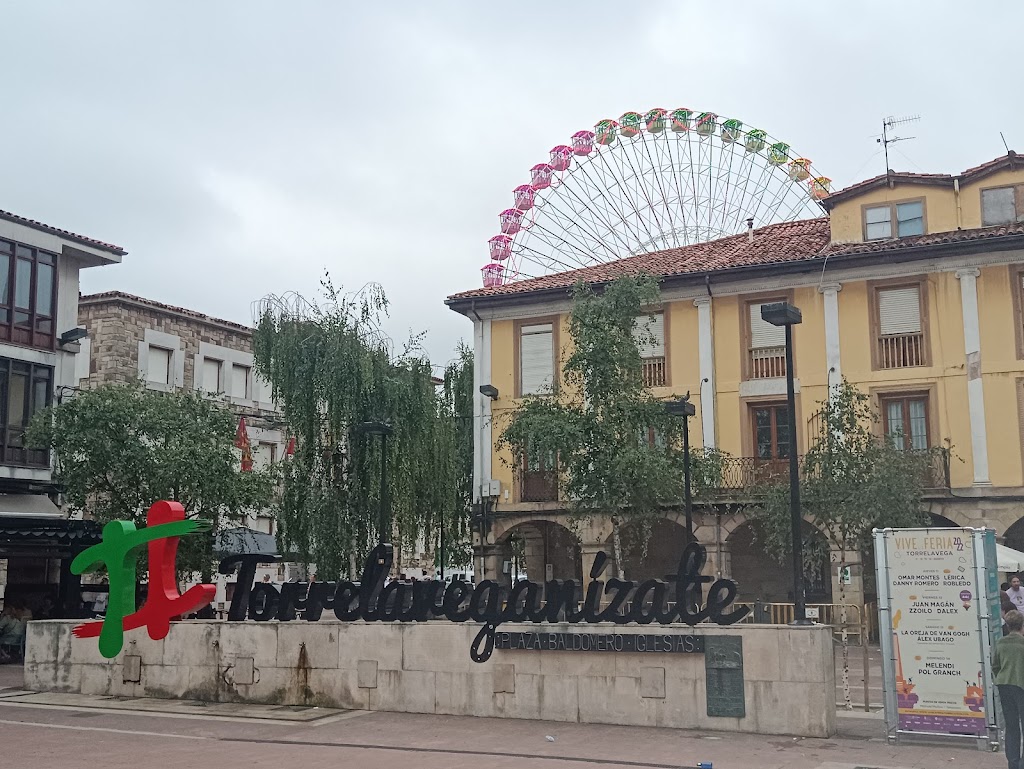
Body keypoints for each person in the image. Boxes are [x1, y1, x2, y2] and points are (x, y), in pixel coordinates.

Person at [994, 609, 1024, 769]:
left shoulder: (1000, 643)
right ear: (1022, 625)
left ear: (1007, 625)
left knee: (1011, 726)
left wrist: (1000, 677)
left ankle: (1013, 763)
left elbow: (995, 665)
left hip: (1004, 685)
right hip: (1021, 686)